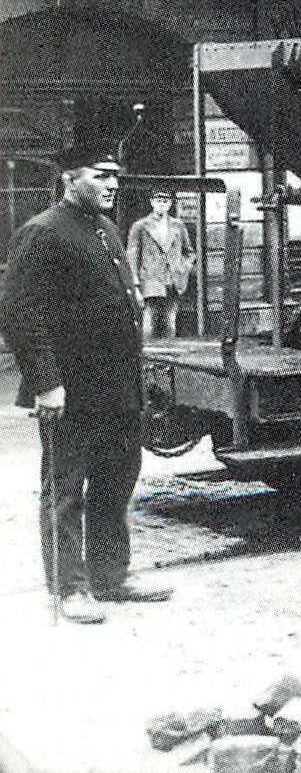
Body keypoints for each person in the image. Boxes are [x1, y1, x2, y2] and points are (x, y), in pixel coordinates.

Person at [0, 142, 174, 624]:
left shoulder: (107, 229)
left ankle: (110, 576)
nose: (113, 184)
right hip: (70, 391)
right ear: (69, 180)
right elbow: (19, 314)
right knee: (66, 489)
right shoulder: (41, 233)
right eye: (101, 176)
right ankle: (69, 589)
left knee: (116, 482)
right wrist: (45, 384)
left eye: (116, 176)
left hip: (117, 388)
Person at [126, 188, 192, 342]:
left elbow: (189, 252)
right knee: (149, 323)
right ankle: (148, 360)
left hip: (173, 280)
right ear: (151, 202)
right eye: (158, 201)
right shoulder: (140, 226)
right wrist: (135, 282)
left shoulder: (178, 226)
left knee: (170, 323)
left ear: (170, 204)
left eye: (165, 201)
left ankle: (169, 363)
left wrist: (183, 268)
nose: (161, 205)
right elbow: (132, 255)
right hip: (150, 280)